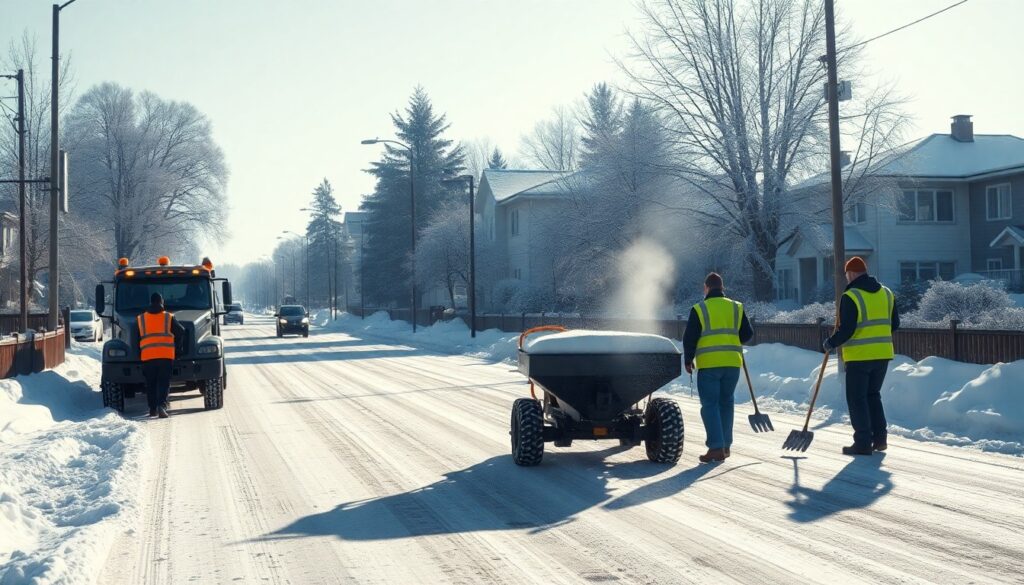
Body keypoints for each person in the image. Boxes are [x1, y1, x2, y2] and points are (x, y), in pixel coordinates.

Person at [823, 256, 900, 456]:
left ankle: (863, 442)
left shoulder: (851, 296)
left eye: (847, 275)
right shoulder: (887, 293)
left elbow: (848, 329)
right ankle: (880, 438)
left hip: (859, 357)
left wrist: (831, 343)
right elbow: (895, 324)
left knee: (857, 399)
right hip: (883, 354)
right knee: (873, 396)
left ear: (851, 274)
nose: (847, 278)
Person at [683, 272, 754, 463]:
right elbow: (747, 334)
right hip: (732, 364)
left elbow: (690, 337)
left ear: (706, 288)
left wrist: (688, 359)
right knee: (726, 403)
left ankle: (715, 447)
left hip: (709, 365)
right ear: (722, 288)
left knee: (710, 405)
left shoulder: (699, 308)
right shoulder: (736, 307)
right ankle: (725, 446)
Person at [137, 293, 185, 418]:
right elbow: (181, 331)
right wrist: (178, 349)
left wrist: (139, 354)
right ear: (161, 302)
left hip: (147, 356)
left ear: (150, 302)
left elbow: (137, 338)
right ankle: (161, 406)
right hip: (165, 356)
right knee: (163, 383)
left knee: (150, 383)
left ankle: (152, 409)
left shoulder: (141, 319)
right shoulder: (168, 317)